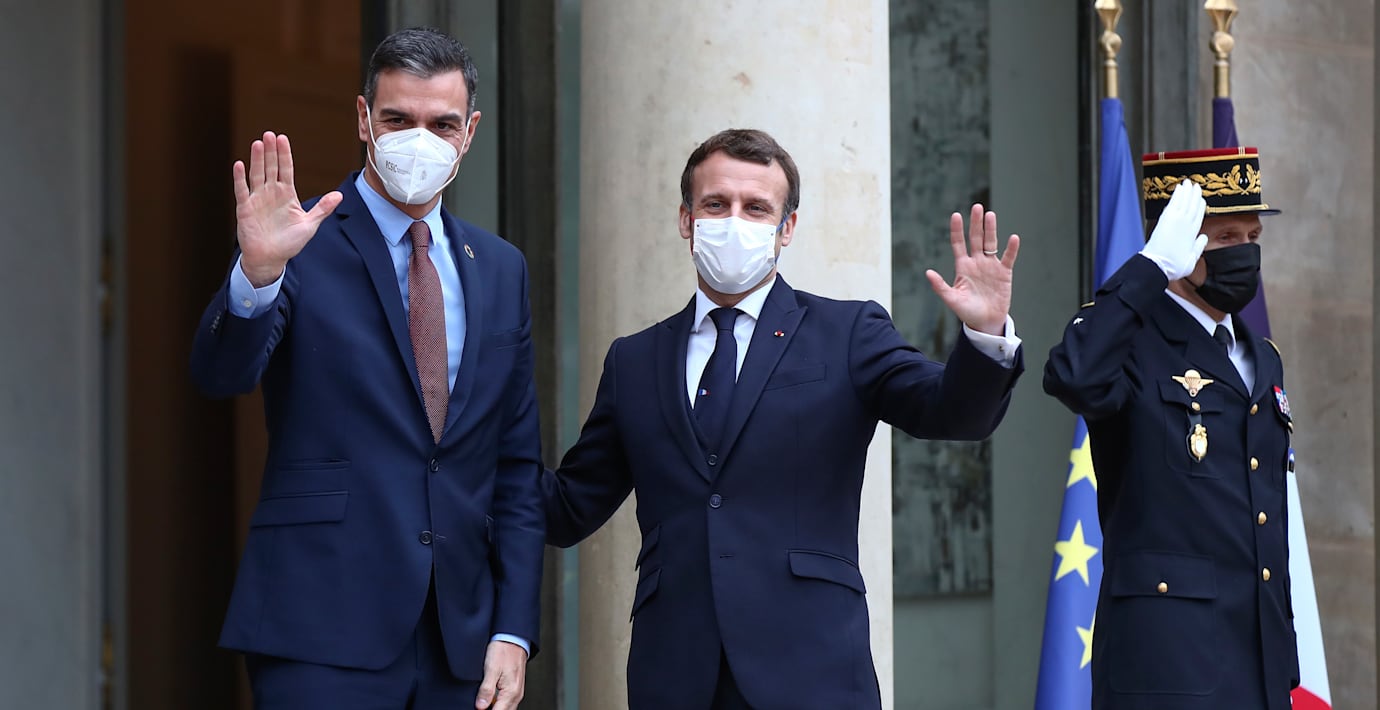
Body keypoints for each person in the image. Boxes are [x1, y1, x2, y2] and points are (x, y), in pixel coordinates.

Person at [542, 128, 1024, 709]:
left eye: (756, 208)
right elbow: (567, 509)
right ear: (686, 219)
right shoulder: (635, 360)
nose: (734, 221)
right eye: (715, 204)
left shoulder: (847, 332)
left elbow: (953, 414)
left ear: (786, 227)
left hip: (812, 672)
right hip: (676, 676)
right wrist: (476, 438)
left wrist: (985, 334)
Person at [190, 27, 542, 710]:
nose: (420, 140)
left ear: (470, 133)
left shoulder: (501, 268)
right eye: (398, 119)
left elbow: (517, 467)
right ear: (363, 119)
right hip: (320, 627)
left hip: (461, 641)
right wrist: (257, 274)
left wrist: (513, 628)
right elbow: (221, 375)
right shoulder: (299, 239)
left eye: (442, 124)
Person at [1044, 147, 1298, 710]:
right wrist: (1149, 269)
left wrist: (1284, 662)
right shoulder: (1130, 340)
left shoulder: (1261, 357)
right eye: (1226, 237)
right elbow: (1074, 376)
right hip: (1166, 670)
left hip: (1256, 666)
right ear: (1182, 243)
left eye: (1253, 235)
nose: (1246, 251)